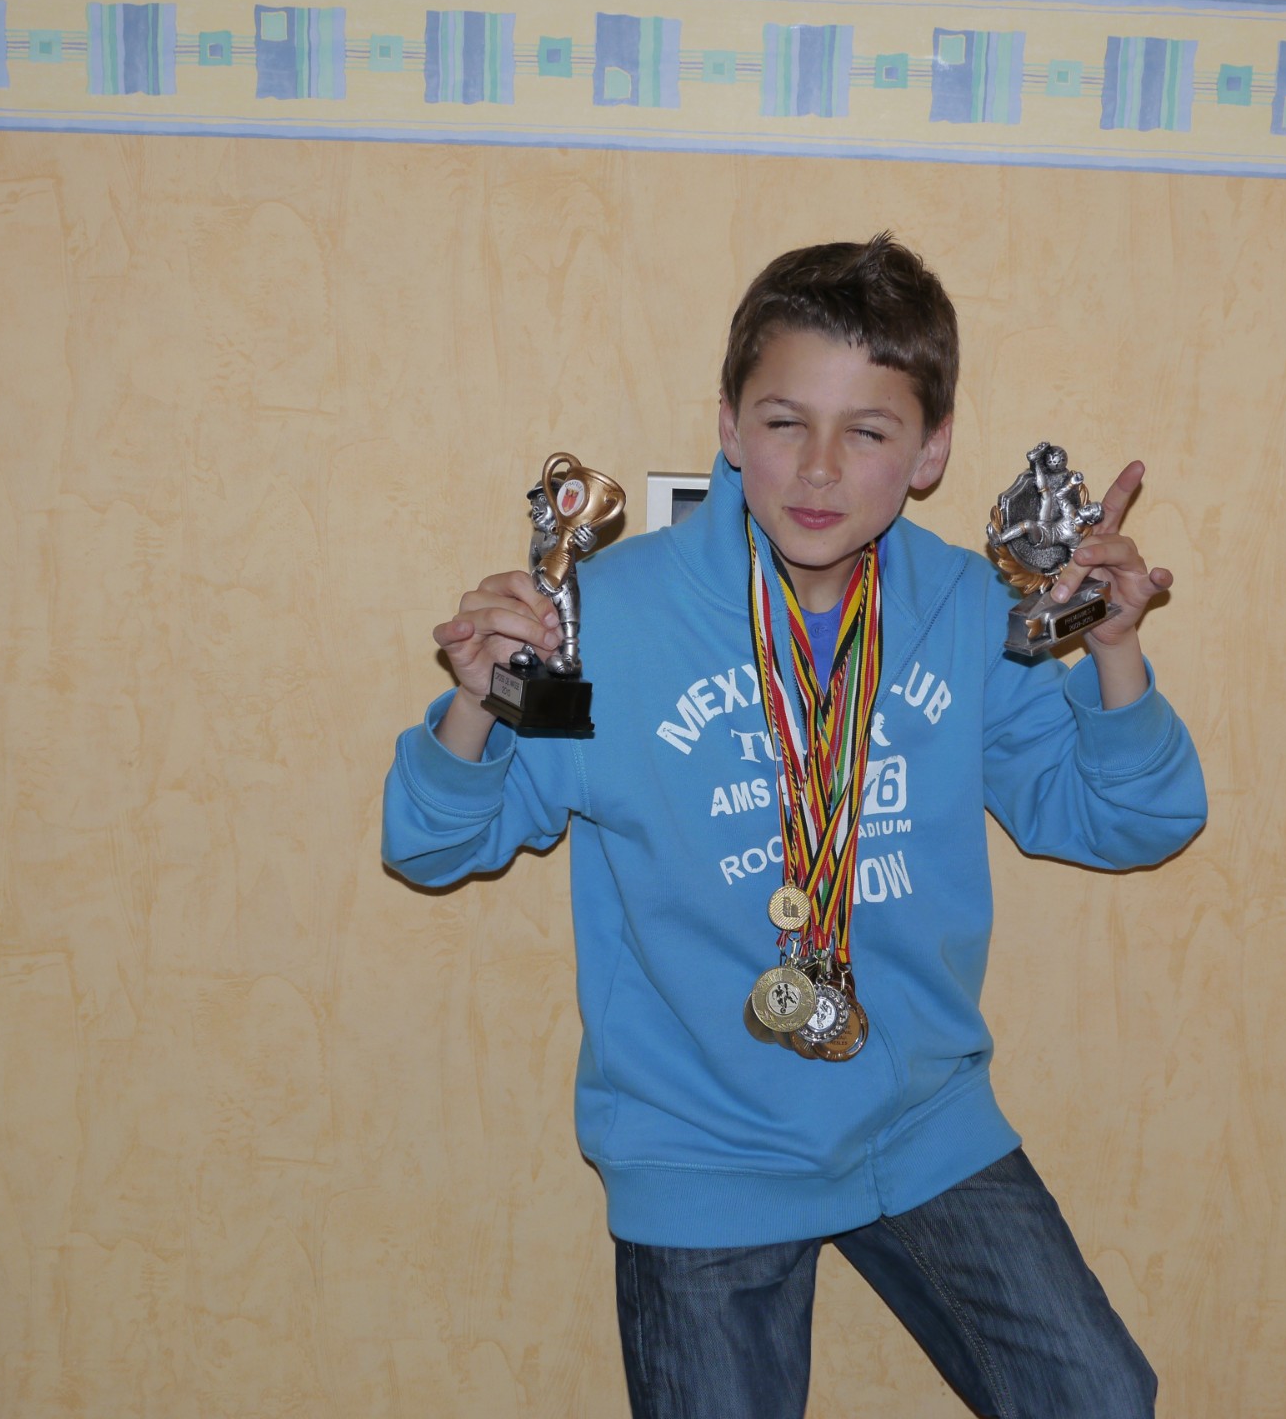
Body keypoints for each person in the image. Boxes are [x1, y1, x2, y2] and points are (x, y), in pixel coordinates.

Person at [383, 235, 1206, 1418]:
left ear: (931, 452)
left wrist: (1113, 648)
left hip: (920, 1122)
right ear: (728, 425)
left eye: (868, 432)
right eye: (784, 422)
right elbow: (431, 842)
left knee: (1100, 1398)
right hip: (701, 1150)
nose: (819, 470)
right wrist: (477, 698)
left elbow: (1132, 819)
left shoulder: (964, 611)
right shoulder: (611, 618)